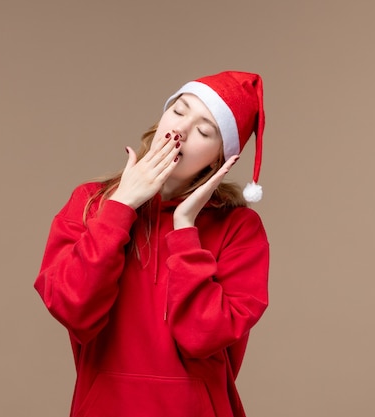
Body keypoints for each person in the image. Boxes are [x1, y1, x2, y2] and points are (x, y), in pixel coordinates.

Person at [34, 71, 270, 417]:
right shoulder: (91, 203)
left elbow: (204, 336)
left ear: (221, 159)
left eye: (205, 130)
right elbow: (73, 308)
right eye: (178, 111)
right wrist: (120, 208)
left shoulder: (239, 228)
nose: (181, 131)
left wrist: (185, 229)